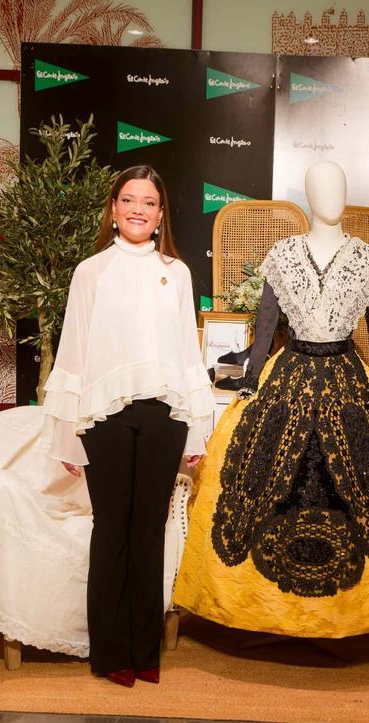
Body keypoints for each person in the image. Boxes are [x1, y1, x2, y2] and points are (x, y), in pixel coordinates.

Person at [173, 161, 369, 637]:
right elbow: (264, 330)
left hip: (348, 378)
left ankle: (353, 613)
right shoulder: (283, 255)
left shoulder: (366, 258)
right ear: (307, 194)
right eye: (322, 187)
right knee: (259, 478)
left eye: (339, 186)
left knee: (366, 479)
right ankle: (266, 611)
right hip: (290, 374)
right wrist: (251, 379)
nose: (332, 196)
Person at [41, 165, 213, 687]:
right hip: (105, 417)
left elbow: (188, 352)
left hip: (163, 415)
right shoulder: (90, 273)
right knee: (110, 530)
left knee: (149, 532)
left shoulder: (177, 273)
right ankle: (110, 653)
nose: (138, 209)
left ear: (161, 215)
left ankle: (145, 653)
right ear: (113, 209)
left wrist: (198, 430)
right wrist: (68, 431)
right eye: (129, 200)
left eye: (149, 202)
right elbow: (72, 351)